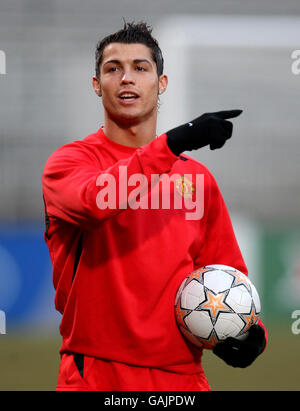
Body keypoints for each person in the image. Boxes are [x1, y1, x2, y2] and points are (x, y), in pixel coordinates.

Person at [42, 21, 267, 391]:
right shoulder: (69, 164)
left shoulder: (197, 180)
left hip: (183, 379)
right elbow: (94, 203)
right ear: (97, 85)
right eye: (113, 69)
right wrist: (174, 143)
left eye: (140, 68)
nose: (126, 78)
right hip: (98, 374)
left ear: (161, 83)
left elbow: (228, 273)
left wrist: (251, 335)